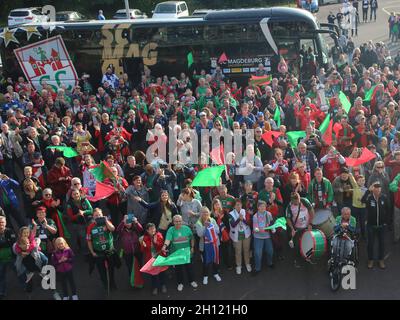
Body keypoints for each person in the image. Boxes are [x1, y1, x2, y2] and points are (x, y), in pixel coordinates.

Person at [162, 215, 198, 292]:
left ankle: (192, 281)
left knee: (189, 268)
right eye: (176, 221)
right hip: (176, 254)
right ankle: (180, 283)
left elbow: (192, 238)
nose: (178, 223)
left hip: (186, 253)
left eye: (179, 221)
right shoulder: (171, 230)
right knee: (179, 269)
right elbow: (168, 239)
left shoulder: (187, 228)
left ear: (182, 221)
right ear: (173, 222)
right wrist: (165, 246)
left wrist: (192, 247)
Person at [86, 208, 118, 291]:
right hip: (98, 252)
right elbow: (89, 240)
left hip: (109, 250)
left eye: (99, 214)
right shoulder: (90, 226)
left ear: (102, 214)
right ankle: (105, 284)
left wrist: (106, 221)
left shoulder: (107, 223)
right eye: (96, 215)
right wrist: (92, 252)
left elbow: (113, 229)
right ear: (93, 216)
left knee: (111, 268)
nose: (98, 216)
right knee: (101, 270)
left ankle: (112, 283)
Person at [362, 182, 390, 269]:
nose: (377, 191)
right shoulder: (369, 198)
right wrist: (367, 191)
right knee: (370, 244)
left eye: (379, 189)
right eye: (375, 189)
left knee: (382, 244)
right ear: (373, 189)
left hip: (382, 226)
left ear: (381, 189)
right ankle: (371, 260)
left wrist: (386, 222)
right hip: (371, 225)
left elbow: (388, 210)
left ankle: (381, 260)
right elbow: (362, 201)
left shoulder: (384, 197)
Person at [195, 207, 222, 285]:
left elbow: (217, 230)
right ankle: (205, 276)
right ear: (200, 214)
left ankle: (215, 273)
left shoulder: (212, 220)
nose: (205, 214)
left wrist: (211, 226)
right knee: (205, 262)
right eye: (203, 212)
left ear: (209, 213)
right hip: (204, 246)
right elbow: (200, 234)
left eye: (207, 212)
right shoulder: (198, 222)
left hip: (214, 244)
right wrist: (206, 227)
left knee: (215, 260)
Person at [285, 192, 314, 263]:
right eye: (295, 202)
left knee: (309, 242)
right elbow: (288, 219)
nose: (297, 202)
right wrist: (292, 229)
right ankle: (298, 259)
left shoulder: (305, 201)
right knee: (297, 245)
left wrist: (310, 223)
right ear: (291, 200)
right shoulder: (289, 206)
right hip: (297, 228)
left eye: (298, 200)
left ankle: (308, 257)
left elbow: (311, 212)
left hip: (307, 226)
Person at [116, 214, 143, 286]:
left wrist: (136, 222)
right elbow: (117, 230)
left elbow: (141, 229)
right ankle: (132, 280)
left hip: (137, 252)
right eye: (126, 222)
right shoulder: (122, 230)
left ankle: (139, 280)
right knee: (130, 267)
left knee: (139, 266)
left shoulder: (135, 228)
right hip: (127, 253)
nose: (128, 224)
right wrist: (122, 222)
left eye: (129, 222)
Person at [140, 223, 166, 295]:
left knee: (161, 272)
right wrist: (144, 246)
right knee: (153, 274)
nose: (153, 230)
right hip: (151, 259)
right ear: (147, 230)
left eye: (154, 228)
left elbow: (161, 246)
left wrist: (155, 242)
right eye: (151, 229)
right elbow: (142, 250)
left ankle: (163, 285)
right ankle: (155, 287)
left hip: (159, 258)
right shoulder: (144, 238)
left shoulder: (159, 235)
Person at [229, 199, 252, 275]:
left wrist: (243, 220)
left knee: (246, 250)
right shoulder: (231, 214)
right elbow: (233, 224)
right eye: (236, 205)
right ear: (234, 206)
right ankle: (238, 265)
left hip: (246, 234)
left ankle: (247, 263)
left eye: (239, 204)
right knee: (238, 251)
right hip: (236, 235)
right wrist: (239, 219)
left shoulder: (245, 211)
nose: (238, 206)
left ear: (242, 205)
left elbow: (249, 223)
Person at [252, 201, 274, 275]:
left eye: (263, 206)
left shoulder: (269, 214)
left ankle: (270, 263)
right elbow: (255, 228)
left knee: (270, 251)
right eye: (260, 206)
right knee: (258, 253)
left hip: (267, 236)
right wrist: (256, 229)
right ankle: (257, 268)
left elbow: (271, 223)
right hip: (258, 237)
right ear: (258, 207)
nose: (262, 208)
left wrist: (273, 228)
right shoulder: (255, 216)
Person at [0, 215, 16, 299]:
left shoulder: (10, 231)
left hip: (12, 257)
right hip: (1, 260)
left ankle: (26, 286)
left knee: (18, 272)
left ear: (5, 223)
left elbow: (13, 242)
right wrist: (6, 242)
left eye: (2, 222)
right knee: (1, 276)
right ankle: (2, 291)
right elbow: (9, 242)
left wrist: (3, 243)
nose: (1, 224)